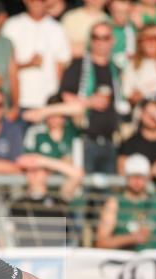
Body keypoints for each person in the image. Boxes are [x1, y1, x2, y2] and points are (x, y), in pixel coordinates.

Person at [61, 21, 126, 175]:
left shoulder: (116, 70)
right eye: (96, 37)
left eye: (105, 37)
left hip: (111, 141)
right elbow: (65, 96)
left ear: (112, 40)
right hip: (85, 139)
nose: (100, 42)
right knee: (84, 192)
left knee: (108, 192)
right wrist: (89, 102)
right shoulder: (78, 65)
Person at [1, 0, 71, 112]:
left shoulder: (58, 29)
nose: (38, 3)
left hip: (48, 102)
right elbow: (2, 66)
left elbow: (61, 67)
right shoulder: (11, 26)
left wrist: (58, 98)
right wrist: (28, 64)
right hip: (18, 101)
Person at [96, 154, 156, 250]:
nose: (137, 182)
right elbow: (101, 242)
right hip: (124, 261)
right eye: (133, 177)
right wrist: (130, 239)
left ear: (147, 178)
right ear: (126, 177)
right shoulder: (114, 203)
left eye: (141, 177)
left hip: (153, 261)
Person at [122, 27, 156, 105]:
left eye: (154, 39)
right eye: (146, 39)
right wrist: (133, 96)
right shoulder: (132, 64)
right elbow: (126, 89)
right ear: (140, 43)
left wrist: (144, 92)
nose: (150, 43)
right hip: (139, 106)